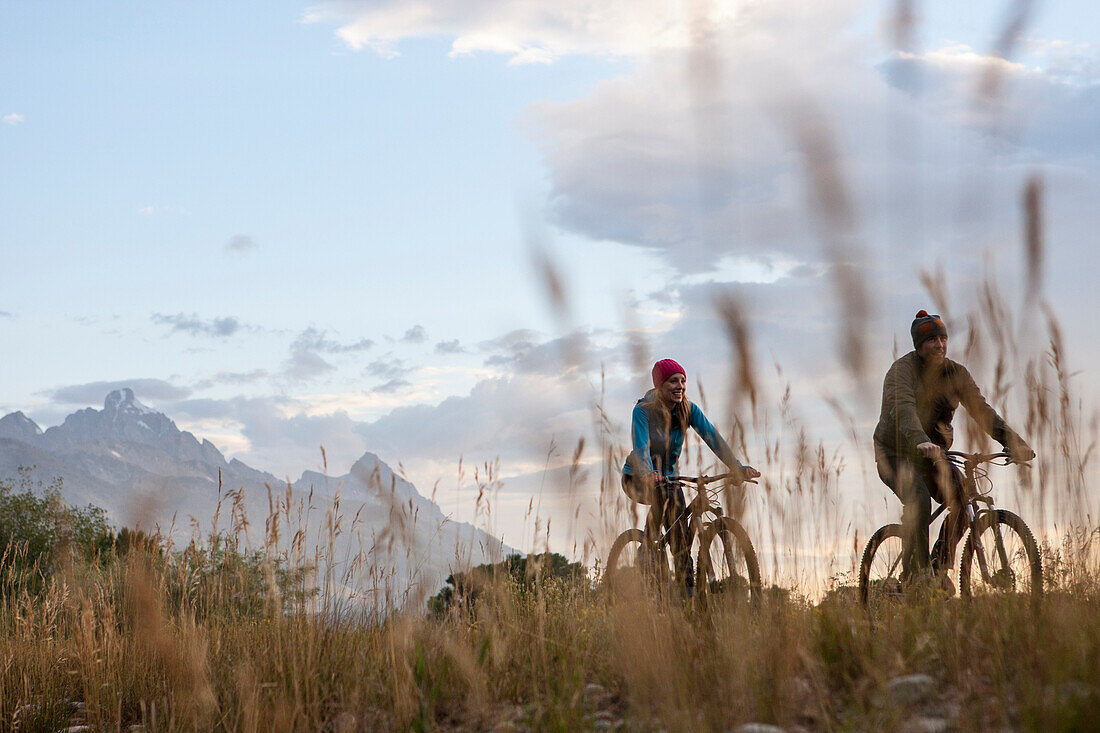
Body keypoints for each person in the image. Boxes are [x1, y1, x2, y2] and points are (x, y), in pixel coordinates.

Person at [873, 310, 1034, 588]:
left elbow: (982, 411)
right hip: (895, 453)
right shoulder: (902, 371)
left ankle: (937, 567)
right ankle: (916, 576)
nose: (940, 345)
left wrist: (1013, 443)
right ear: (919, 345)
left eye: (943, 338)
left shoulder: (956, 374)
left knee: (962, 498)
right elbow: (903, 410)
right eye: (932, 340)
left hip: (932, 454)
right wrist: (920, 440)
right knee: (919, 499)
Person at [622, 358, 760, 597]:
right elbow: (641, 447)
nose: (680, 386)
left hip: (670, 478)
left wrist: (737, 467)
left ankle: (688, 601)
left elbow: (713, 439)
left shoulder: (688, 410)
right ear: (659, 386)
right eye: (673, 381)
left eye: (683, 381)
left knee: (680, 545)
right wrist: (647, 474)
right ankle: (646, 553)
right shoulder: (642, 411)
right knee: (662, 495)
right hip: (637, 476)